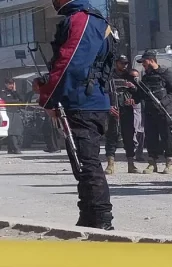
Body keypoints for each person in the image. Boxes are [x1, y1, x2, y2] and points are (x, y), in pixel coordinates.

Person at [36, 0, 117, 230]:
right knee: (82, 164)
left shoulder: (82, 19)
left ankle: (101, 220)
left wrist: (48, 97)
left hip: (84, 101)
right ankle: (88, 217)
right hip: (84, 99)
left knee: (87, 163)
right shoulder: (89, 18)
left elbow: (70, 63)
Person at [136, 49, 172, 174]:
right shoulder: (146, 77)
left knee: (166, 137)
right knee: (151, 137)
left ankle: (170, 161)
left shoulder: (166, 74)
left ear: (151, 60)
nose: (143, 64)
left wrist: (163, 102)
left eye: (144, 61)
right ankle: (152, 163)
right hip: (149, 111)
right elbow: (141, 94)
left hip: (163, 111)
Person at [105, 56, 138, 172]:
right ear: (116, 63)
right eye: (121, 63)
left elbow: (139, 93)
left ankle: (131, 163)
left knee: (129, 135)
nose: (124, 65)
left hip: (126, 109)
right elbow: (103, 92)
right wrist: (107, 106)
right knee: (112, 135)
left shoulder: (130, 76)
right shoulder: (109, 76)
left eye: (126, 63)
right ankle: (110, 164)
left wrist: (133, 90)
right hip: (113, 109)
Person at [2, 78, 23, 154]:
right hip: (8, 112)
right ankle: (15, 148)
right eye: (9, 84)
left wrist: (15, 91)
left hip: (16, 112)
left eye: (12, 84)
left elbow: (22, 100)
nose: (11, 85)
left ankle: (12, 148)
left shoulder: (14, 93)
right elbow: (6, 101)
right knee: (12, 131)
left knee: (18, 131)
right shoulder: (3, 92)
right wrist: (17, 101)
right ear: (6, 84)